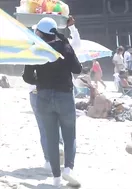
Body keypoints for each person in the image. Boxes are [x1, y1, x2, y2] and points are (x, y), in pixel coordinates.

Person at [22, 17, 82, 187]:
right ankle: (68, 169)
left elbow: (27, 77)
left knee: (51, 136)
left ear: (39, 33)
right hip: (64, 95)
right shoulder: (65, 47)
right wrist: (65, 42)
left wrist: (40, 81)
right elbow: (77, 69)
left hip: (43, 97)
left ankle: (56, 178)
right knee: (69, 134)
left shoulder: (35, 49)